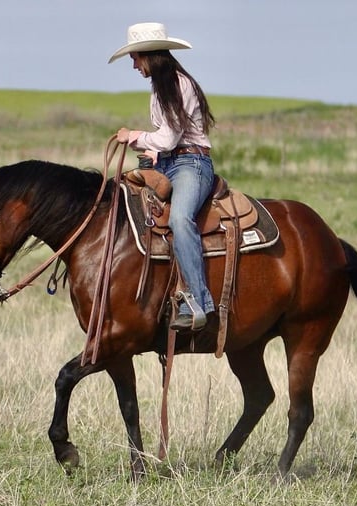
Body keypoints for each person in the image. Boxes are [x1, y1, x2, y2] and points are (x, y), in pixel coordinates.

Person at [109, 22, 216, 332]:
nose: (133, 65)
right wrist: (152, 153)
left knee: (180, 219)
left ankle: (198, 301)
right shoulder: (159, 87)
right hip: (168, 162)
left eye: (136, 58)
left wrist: (134, 136)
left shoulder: (179, 85)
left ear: (149, 56)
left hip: (191, 164)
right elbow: (166, 142)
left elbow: (169, 138)